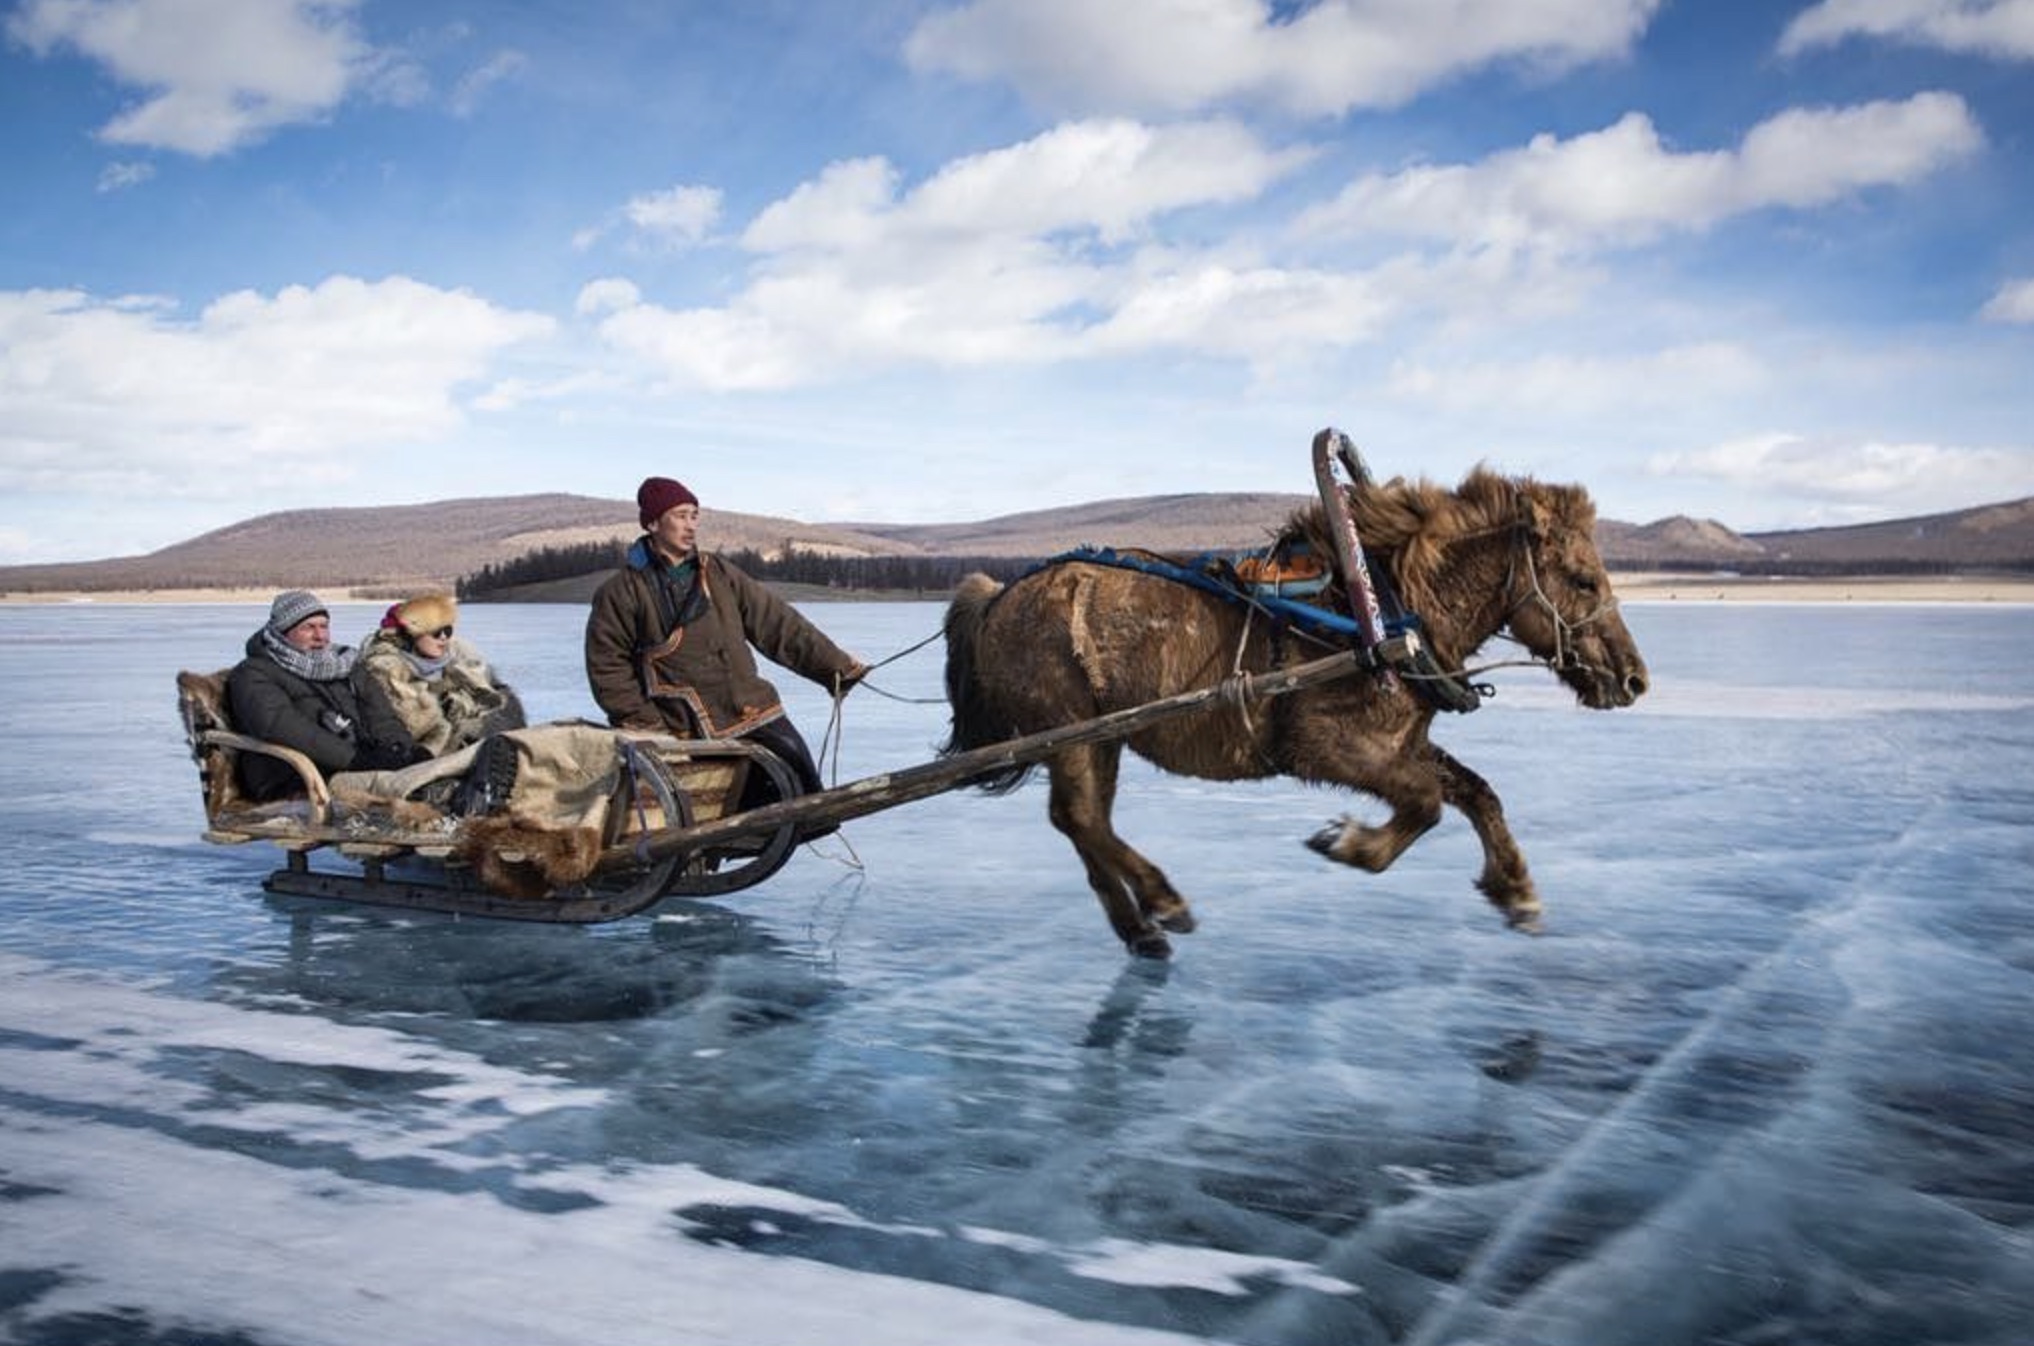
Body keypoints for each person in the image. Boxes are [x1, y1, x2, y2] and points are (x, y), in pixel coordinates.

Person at [584, 476, 867, 806]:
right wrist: (644, 722)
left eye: (694, 516)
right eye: (679, 516)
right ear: (652, 523)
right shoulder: (620, 592)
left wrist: (835, 667)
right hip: (679, 722)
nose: (690, 526)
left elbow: (777, 624)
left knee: (802, 782)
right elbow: (607, 666)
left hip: (747, 706)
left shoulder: (718, 573)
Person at [227, 590, 425, 801]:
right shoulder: (253, 674)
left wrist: (402, 749)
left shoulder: (344, 665)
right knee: (410, 788)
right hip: (297, 778)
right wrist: (355, 759)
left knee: (440, 773)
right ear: (282, 632)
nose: (320, 636)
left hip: (357, 764)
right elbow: (279, 726)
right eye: (308, 628)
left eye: (324, 626)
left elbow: (381, 715)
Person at [359, 592, 526, 757]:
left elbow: (496, 699)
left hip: (475, 748)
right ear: (411, 634)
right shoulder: (386, 672)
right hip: (429, 758)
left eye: (448, 630)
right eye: (436, 632)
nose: (444, 638)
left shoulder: (458, 662)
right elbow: (415, 729)